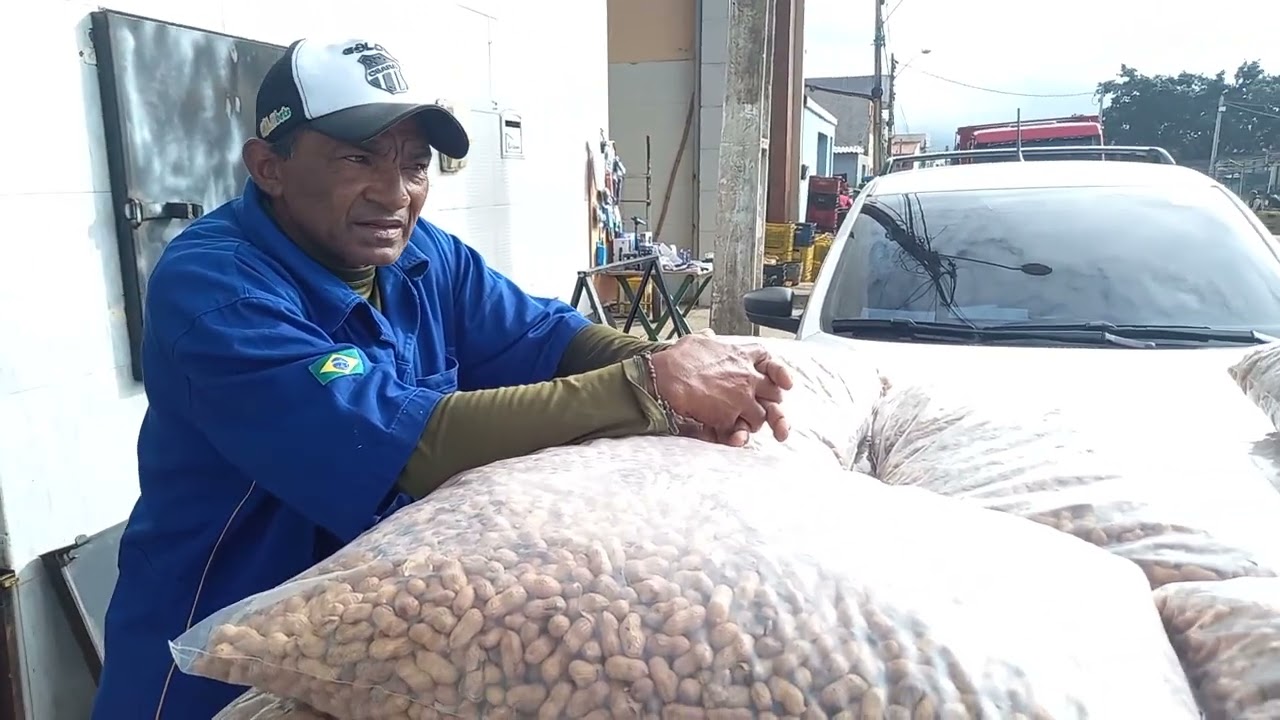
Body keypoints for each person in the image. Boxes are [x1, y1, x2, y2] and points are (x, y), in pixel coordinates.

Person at [91, 37, 793, 719]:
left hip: (364, 637)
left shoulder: (421, 255)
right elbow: (406, 446)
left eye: (415, 165)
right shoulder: (215, 288)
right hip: (213, 657)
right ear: (269, 166)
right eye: (358, 158)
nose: (394, 193)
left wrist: (683, 367)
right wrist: (649, 387)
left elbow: (550, 339)